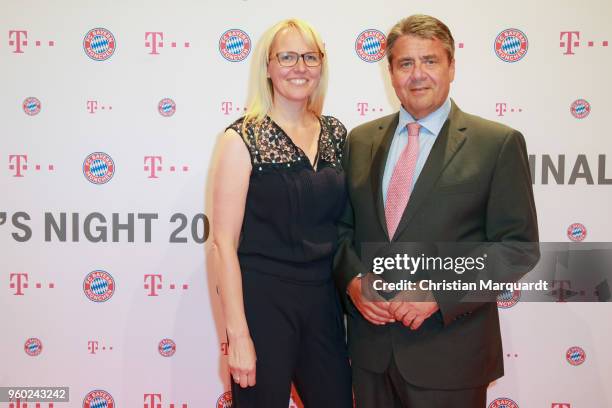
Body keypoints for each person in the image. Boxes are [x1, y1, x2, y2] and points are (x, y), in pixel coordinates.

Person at [334, 14, 539, 408]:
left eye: (430, 61)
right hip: (371, 355)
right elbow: (343, 230)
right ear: (390, 72)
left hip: (450, 357)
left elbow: (517, 247)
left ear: (451, 66)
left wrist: (438, 292)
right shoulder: (360, 141)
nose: (417, 75)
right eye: (405, 63)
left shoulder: (495, 143)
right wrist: (354, 282)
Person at [207, 18, 353, 408]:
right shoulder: (242, 138)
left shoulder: (337, 134)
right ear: (267, 66)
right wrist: (237, 334)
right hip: (263, 304)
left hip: (324, 302)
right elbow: (222, 244)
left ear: (322, 65)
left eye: (309, 56)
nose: (299, 67)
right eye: (287, 56)